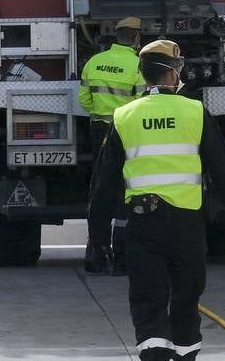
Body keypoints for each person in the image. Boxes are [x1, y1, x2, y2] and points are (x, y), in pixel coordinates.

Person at [88, 39, 225, 361]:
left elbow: (103, 185)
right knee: (186, 300)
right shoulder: (194, 111)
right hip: (187, 225)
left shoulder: (124, 116)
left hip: (143, 224)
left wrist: (98, 237)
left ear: (143, 75)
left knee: (149, 301)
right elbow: (223, 172)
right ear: (174, 74)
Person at [78, 16, 146, 274]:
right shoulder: (138, 65)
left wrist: (101, 113)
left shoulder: (94, 63)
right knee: (123, 193)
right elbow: (142, 103)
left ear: (116, 36)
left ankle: (96, 251)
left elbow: (84, 99)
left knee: (100, 190)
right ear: (137, 37)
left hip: (99, 130)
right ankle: (122, 257)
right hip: (125, 132)